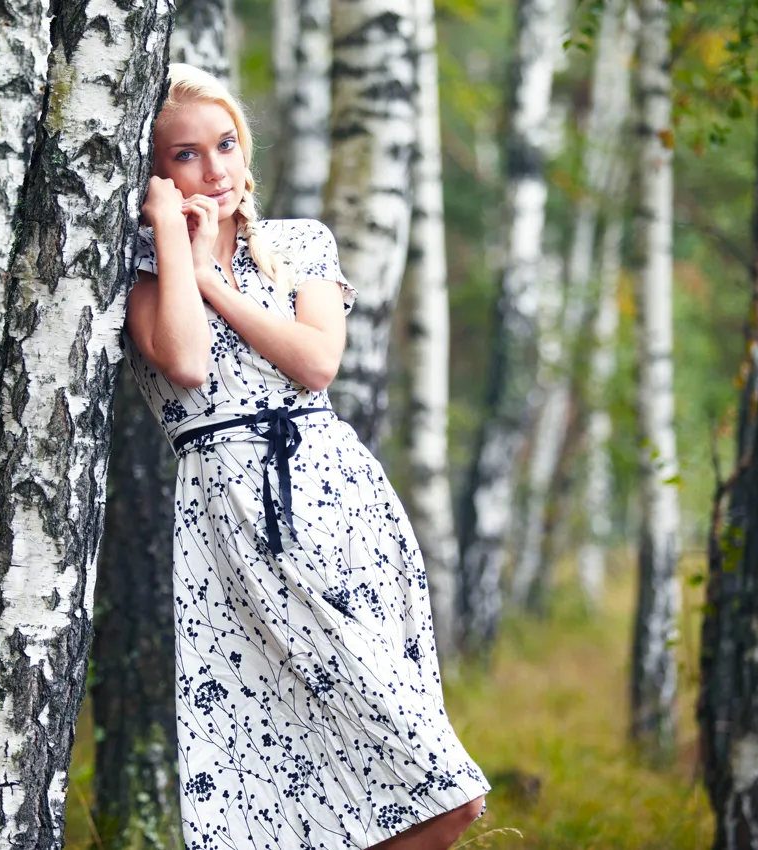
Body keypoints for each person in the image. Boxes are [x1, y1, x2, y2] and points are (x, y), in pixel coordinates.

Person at [122, 63, 490, 850]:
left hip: (341, 505)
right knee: (305, 773)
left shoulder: (298, 244)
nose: (214, 169)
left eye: (225, 144)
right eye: (185, 155)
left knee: (427, 781)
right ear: (155, 173)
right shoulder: (146, 272)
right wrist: (176, 244)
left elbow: (317, 363)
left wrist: (217, 281)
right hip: (235, 520)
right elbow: (186, 362)